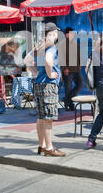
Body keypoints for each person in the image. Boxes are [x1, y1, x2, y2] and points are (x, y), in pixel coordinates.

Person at [24, 22, 65, 157]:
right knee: (48, 118)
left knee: (41, 117)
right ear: (53, 34)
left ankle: (41, 145)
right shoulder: (51, 46)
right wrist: (49, 74)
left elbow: (26, 60)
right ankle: (49, 147)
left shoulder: (39, 47)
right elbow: (48, 61)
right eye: (56, 33)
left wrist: (36, 73)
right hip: (48, 85)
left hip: (38, 84)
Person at [61, 27, 83, 111]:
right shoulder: (62, 44)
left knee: (80, 84)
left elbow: (79, 54)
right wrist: (64, 68)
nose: (73, 35)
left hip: (76, 69)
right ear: (66, 35)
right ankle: (70, 105)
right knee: (68, 87)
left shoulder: (75, 43)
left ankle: (67, 99)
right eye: (71, 33)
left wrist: (80, 64)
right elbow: (61, 57)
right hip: (68, 70)